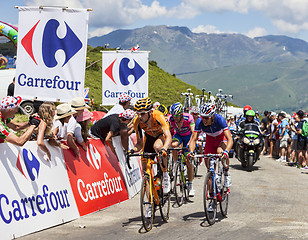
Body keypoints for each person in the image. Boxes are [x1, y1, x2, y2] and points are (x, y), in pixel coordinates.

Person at [129, 97, 172, 194]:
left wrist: (164, 148)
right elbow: (139, 144)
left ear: (150, 112)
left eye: (142, 113)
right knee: (145, 169)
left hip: (161, 136)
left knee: (157, 146)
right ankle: (150, 203)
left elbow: (168, 136)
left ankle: (165, 175)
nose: (140, 116)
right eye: (138, 113)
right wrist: (132, 150)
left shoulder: (158, 116)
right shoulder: (137, 122)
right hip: (149, 138)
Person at [188, 103, 233, 190]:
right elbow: (193, 139)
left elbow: (230, 139)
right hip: (210, 141)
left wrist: (226, 151)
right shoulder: (199, 122)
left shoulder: (220, 119)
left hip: (221, 140)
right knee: (210, 170)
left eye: (206, 118)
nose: (204, 120)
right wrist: (191, 151)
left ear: (212, 116)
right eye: (202, 117)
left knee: (220, 151)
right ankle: (212, 196)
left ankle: (226, 172)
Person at [168, 102, 195, 196]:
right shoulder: (171, 119)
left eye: (176, 116)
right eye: (173, 116)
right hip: (179, 135)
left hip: (189, 137)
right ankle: (176, 163)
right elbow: (167, 131)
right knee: (173, 145)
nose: (174, 118)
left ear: (181, 114)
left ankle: (190, 185)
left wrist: (190, 144)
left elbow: (193, 132)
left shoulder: (189, 118)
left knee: (188, 161)